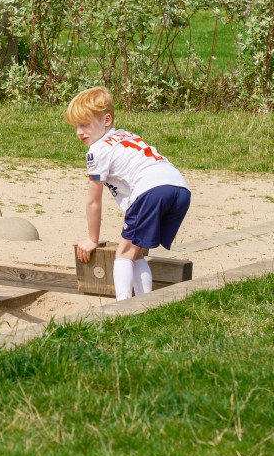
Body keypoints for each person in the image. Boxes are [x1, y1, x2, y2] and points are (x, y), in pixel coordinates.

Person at [65, 86, 190, 301]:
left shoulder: (96, 151)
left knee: (123, 253)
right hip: (179, 189)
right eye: (76, 126)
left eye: (85, 124)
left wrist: (92, 239)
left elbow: (93, 200)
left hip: (152, 190)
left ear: (106, 120)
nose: (79, 132)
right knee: (136, 251)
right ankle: (146, 306)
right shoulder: (127, 136)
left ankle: (124, 308)